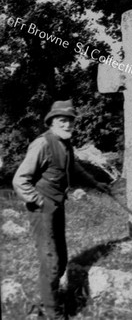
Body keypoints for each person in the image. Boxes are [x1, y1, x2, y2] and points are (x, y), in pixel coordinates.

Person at [12, 100, 110, 320]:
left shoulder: (65, 144)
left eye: (70, 121)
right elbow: (20, 180)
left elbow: (73, 167)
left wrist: (96, 184)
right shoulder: (42, 144)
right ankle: (52, 313)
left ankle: (47, 299)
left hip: (57, 206)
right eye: (62, 121)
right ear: (52, 122)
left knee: (62, 258)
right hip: (42, 209)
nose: (67, 125)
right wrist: (38, 201)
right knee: (51, 261)